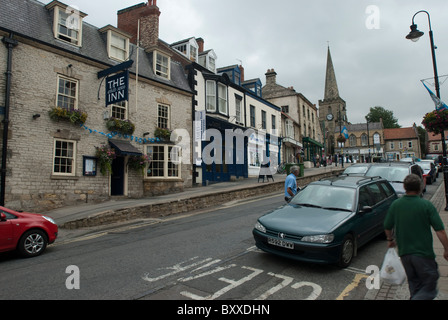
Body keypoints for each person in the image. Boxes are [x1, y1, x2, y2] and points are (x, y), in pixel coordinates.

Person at [384, 173, 448, 300]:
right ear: (420, 187)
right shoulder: (426, 206)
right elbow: (440, 231)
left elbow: (387, 225)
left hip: (405, 255)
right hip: (423, 254)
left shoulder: (396, 204)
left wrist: (390, 240)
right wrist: (446, 248)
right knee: (429, 285)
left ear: (404, 187)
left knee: (414, 284)